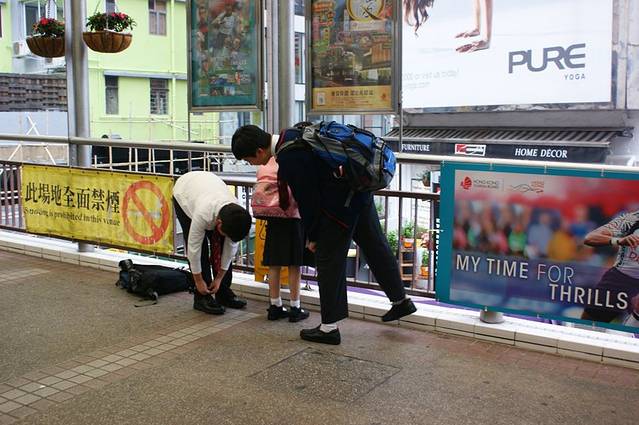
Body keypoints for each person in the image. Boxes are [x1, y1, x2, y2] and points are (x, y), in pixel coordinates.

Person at [231, 124, 417, 345]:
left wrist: (313, 236)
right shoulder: (293, 133)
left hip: (339, 207)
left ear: (259, 151)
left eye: (248, 160)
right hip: (358, 193)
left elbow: (307, 199)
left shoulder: (289, 156)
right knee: (375, 245)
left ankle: (329, 327)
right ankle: (401, 300)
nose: (251, 164)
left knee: (328, 261)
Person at [173, 171, 251, 315]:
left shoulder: (236, 215)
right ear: (219, 223)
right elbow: (194, 249)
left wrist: (220, 278)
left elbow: (229, 249)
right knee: (201, 249)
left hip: (208, 187)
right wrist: (199, 281)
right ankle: (202, 297)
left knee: (221, 246)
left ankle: (223, 292)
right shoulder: (203, 214)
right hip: (184, 191)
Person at [253, 156, 311, 323]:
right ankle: (295, 307)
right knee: (294, 264)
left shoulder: (267, 162)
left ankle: (275, 306)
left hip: (273, 215)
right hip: (293, 215)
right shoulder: (294, 158)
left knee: (274, 262)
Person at [582, 211, 639, 323]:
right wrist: (618, 240)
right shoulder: (632, 219)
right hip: (619, 279)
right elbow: (590, 238)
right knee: (588, 325)